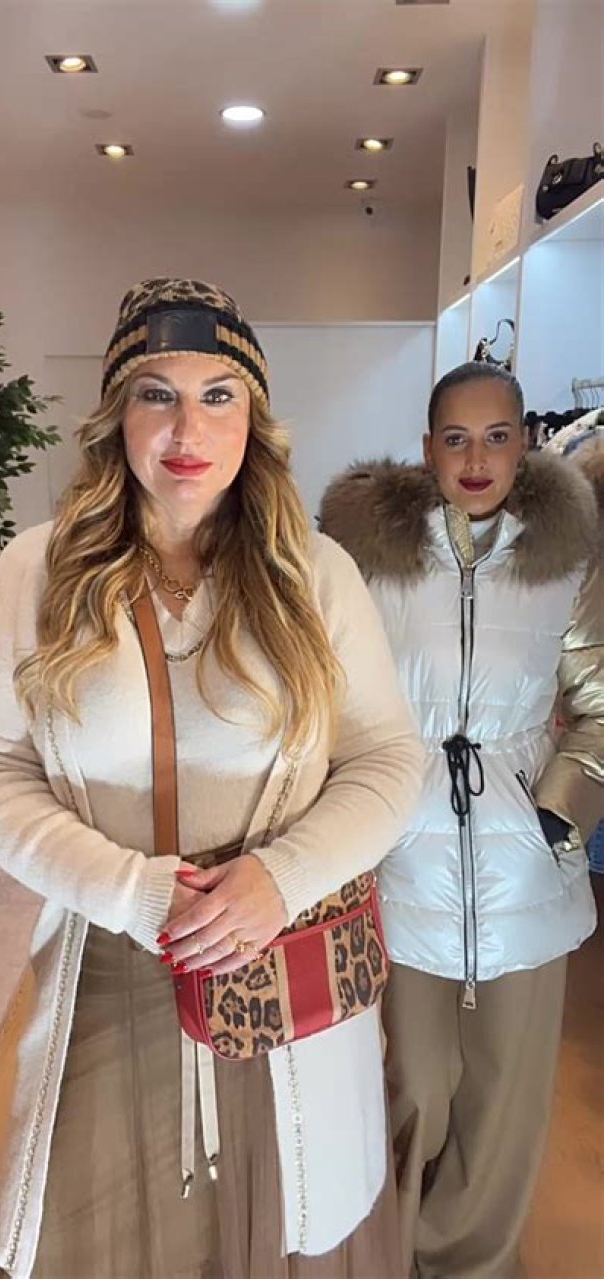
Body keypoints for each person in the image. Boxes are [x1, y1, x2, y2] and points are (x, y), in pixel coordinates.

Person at [0, 278, 424, 1279]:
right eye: (156, 392)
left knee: (291, 1216)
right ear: (116, 412)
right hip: (107, 970)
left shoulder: (316, 573)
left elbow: (387, 759)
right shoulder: (36, 572)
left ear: (255, 416)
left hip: (283, 968)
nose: (186, 428)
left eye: (219, 395)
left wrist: (282, 877)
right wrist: (138, 893)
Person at [319, 361, 602, 1279]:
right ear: (428, 447)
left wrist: (561, 813)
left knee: (507, 1101)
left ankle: (473, 1263)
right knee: (417, 1087)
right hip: (403, 868)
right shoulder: (373, 564)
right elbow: (333, 701)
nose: (476, 459)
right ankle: (395, 1253)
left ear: (526, 443)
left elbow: (600, 706)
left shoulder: (569, 563)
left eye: (496, 436)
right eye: (456, 438)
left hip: (529, 877)